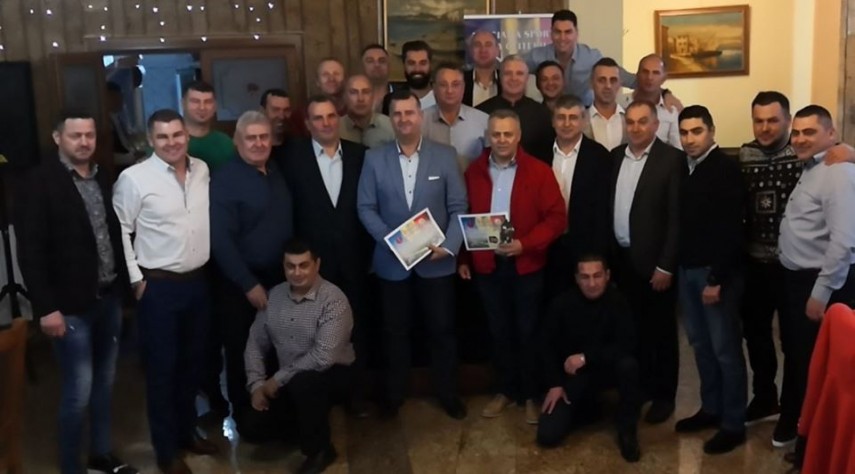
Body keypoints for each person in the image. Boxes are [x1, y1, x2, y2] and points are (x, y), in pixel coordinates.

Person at [16, 111, 137, 474]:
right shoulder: (38, 182)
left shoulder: (102, 177)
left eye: (89, 135)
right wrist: (46, 308)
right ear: (58, 138)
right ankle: (71, 466)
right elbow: (30, 252)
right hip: (68, 308)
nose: (84, 142)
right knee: (77, 391)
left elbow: (112, 235)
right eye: (75, 135)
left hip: (107, 299)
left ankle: (101, 455)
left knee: (104, 385)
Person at [113, 109, 218, 474]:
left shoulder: (202, 170)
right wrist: (135, 279)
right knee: (162, 371)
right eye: (163, 136)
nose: (171, 142)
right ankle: (166, 450)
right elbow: (120, 230)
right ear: (150, 140)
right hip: (158, 288)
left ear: (187, 135)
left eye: (177, 134)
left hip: (198, 284)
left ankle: (187, 432)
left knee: (193, 366)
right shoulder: (134, 178)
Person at [357, 89, 468, 419]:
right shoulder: (374, 158)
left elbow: (458, 207)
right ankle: (393, 396)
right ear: (390, 119)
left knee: (442, 332)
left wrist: (449, 246)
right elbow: (365, 207)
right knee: (394, 333)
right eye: (397, 114)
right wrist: (391, 243)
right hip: (392, 263)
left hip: (437, 263)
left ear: (420, 116)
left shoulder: (445, 155)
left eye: (409, 112)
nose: (404, 119)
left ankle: (448, 394)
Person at [459, 109, 566, 424]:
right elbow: (463, 216)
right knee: (498, 331)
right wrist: (464, 258)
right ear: (488, 137)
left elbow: (557, 218)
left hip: (526, 265)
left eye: (508, 134)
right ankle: (505, 390)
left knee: (528, 331)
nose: (502, 140)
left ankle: (530, 394)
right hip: (487, 266)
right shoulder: (474, 172)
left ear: (518, 136)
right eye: (496, 134)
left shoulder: (539, 171)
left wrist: (525, 244)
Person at [281, 95, 373, 416]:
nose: (326, 123)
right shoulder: (291, 158)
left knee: (356, 331)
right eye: (318, 118)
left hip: (354, 260)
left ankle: (356, 395)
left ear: (339, 118)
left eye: (331, 116)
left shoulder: (361, 155)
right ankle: (320, 399)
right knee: (312, 333)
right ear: (308, 124)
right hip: (311, 265)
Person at [775, 105, 855, 447]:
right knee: (798, 357)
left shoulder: (838, 172)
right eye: (796, 132)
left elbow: (844, 242)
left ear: (831, 134)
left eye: (809, 132)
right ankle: (800, 429)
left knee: (818, 365)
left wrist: (820, 293)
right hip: (796, 281)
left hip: (821, 283)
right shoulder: (811, 168)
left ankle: (815, 447)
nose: (800, 139)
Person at [209, 111, 293, 431]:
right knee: (243, 350)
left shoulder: (275, 170)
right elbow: (220, 239)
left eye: (263, 137)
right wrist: (248, 283)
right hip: (241, 283)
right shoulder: (225, 180)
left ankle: (274, 415)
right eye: (251, 137)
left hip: (279, 279)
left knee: (275, 349)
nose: (258, 143)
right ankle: (246, 419)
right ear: (237, 140)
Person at [241, 239, 355, 474]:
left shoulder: (333, 299)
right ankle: (301, 425)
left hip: (332, 373)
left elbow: (323, 357)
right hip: (289, 378)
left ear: (317, 264)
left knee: (305, 384)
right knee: (250, 427)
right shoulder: (274, 295)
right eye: (290, 266)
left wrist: (277, 379)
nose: (297, 272)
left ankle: (320, 450)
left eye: (303, 265)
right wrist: (256, 385)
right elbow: (255, 344)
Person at [674, 105, 748, 454]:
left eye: (696, 131)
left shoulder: (725, 169)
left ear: (711, 131)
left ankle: (733, 423)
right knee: (701, 346)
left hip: (715, 274)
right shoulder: (685, 167)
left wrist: (716, 278)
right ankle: (711, 407)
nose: (690, 139)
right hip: (687, 270)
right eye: (684, 132)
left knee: (725, 350)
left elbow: (733, 228)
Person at [610, 100, 684, 425]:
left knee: (662, 332)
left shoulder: (672, 160)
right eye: (631, 122)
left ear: (656, 125)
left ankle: (664, 395)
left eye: (643, 121)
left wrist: (666, 265)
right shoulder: (615, 157)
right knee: (632, 329)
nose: (636, 128)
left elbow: (677, 219)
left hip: (656, 264)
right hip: (623, 260)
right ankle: (640, 387)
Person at [536, 255, 641, 463]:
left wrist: (586, 357)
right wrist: (555, 384)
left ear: (607, 276)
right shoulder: (561, 304)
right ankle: (589, 409)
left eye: (597, 276)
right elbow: (545, 346)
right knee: (548, 435)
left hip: (608, 368)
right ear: (576, 278)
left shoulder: (618, 301)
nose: (592, 283)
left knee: (629, 365)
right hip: (574, 376)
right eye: (585, 277)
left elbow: (627, 344)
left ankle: (627, 429)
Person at [546, 94, 612, 299]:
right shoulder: (539, 152)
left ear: (584, 121)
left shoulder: (600, 156)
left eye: (573, 118)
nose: (567, 124)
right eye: (561, 117)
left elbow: (604, 211)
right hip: (546, 246)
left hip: (585, 247)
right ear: (553, 121)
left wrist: (598, 254)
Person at [523, 10, 634, 106]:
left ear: (576, 33)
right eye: (558, 32)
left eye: (568, 32)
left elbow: (621, 76)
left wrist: (643, 84)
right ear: (551, 33)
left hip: (585, 112)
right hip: (548, 113)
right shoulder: (537, 56)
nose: (562, 38)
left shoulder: (591, 57)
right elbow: (513, 65)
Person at [477, 55, 554, 163]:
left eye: (519, 73)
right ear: (500, 77)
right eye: (508, 73)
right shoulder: (480, 112)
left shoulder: (543, 114)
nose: (513, 78)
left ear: (527, 78)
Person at [422, 62, 490, 172]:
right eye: (443, 85)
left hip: (470, 182)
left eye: (455, 85)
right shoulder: (419, 121)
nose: (449, 91)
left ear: (463, 87)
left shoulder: (484, 121)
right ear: (434, 88)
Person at [620, 55, 682, 149]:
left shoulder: (671, 110)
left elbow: (678, 148)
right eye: (645, 72)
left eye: (656, 73)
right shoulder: (620, 104)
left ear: (664, 78)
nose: (650, 77)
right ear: (637, 75)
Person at [183, 80, 236, 172]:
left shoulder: (225, 143)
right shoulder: (173, 142)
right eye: (195, 101)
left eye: (208, 102)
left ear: (215, 106)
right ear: (183, 103)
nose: (202, 107)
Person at [339, 74, 395, 148]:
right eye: (354, 92)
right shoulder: (336, 128)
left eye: (366, 92)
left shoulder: (391, 126)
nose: (360, 99)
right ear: (344, 97)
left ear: (373, 96)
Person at [381, 40, 436, 114]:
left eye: (423, 63)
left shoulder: (443, 97)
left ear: (430, 64)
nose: (417, 69)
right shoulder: (391, 100)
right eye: (411, 63)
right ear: (404, 65)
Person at [585, 57, 626, 151]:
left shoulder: (632, 120)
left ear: (620, 84)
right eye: (602, 80)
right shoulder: (579, 121)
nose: (608, 86)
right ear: (591, 83)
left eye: (613, 80)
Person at [464, 30, 503, 107]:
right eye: (477, 45)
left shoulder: (507, 81)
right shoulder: (460, 81)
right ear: (471, 50)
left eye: (488, 45)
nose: (483, 50)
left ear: (497, 50)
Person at [361, 44, 394, 113]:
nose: (377, 65)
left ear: (389, 66)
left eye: (382, 61)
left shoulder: (403, 96)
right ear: (362, 66)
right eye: (370, 61)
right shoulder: (352, 99)